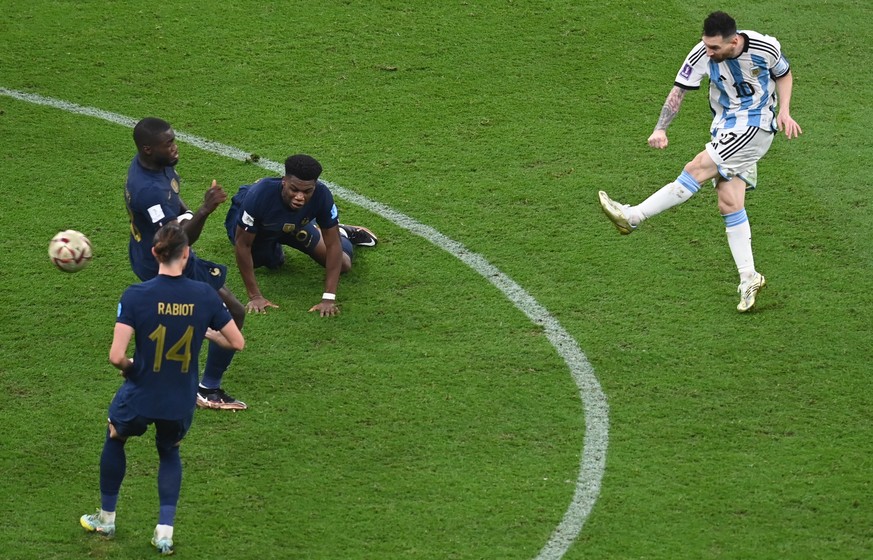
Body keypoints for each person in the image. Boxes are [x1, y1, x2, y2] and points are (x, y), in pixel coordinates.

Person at [598, 11, 802, 312]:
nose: (708, 52)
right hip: (726, 126)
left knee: (696, 169)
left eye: (715, 48)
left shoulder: (765, 47)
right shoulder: (702, 53)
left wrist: (784, 110)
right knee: (729, 203)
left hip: (755, 126)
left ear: (734, 41)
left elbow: (783, 74)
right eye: (706, 46)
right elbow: (679, 91)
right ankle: (749, 277)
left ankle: (633, 217)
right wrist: (660, 127)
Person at [80, 222, 245, 555]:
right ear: (186, 254)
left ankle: (106, 518)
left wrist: (131, 368)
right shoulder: (203, 294)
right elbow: (236, 342)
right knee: (169, 450)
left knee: (116, 434)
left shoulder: (136, 295)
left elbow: (116, 356)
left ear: (155, 253)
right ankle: (164, 532)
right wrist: (203, 332)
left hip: (141, 391)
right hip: (180, 398)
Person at [125, 117, 248, 409]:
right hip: (165, 262)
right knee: (233, 311)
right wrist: (204, 210)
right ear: (147, 149)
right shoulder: (148, 191)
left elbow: (175, 206)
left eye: (173, 140)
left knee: (183, 318)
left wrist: (188, 213)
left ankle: (156, 370)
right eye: (168, 144)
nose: (175, 148)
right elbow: (176, 241)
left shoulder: (156, 164)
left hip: (153, 254)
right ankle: (207, 388)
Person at [224, 154, 378, 317]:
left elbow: (333, 245)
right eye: (294, 190)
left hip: (293, 223)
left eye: (307, 191)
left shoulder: (322, 195)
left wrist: (328, 298)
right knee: (268, 261)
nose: (300, 197)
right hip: (260, 227)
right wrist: (255, 296)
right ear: (284, 181)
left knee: (344, 264)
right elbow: (243, 245)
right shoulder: (258, 196)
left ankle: (341, 231)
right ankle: (274, 249)